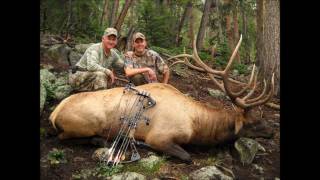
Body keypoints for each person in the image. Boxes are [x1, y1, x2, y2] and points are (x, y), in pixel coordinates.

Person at [69, 28, 125, 92]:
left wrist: (130, 59)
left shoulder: (113, 54)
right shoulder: (94, 49)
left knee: (108, 79)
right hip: (78, 76)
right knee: (101, 75)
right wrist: (108, 71)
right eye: (109, 39)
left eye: (113, 40)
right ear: (103, 39)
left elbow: (122, 65)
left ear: (116, 41)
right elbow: (91, 66)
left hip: (92, 77)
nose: (111, 42)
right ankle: (101, 99)